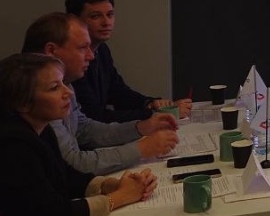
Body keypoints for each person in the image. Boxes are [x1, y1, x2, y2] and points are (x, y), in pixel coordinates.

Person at [0, 53, 158, 216]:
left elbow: (65, 176)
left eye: (63, 83)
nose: (68, 93)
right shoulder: (10, 145)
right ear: (22, 103)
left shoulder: (42, 129)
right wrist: (121, 197)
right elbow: (50, 211)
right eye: (54, 88)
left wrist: (110, 185)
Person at [22, 12, 180, 175]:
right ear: (51, 51)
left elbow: (84, 129)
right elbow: (73, 164)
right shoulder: (37, 95)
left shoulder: (65, 82)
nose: (91, 56)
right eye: (82, 48)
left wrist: (141, 127)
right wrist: (141, 148)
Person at [65, 0, 192, 122]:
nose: (106, 22)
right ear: (74, 20)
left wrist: (150, 103)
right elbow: (94, 115)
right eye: (95, 16)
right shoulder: (70, 59)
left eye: (110, 15)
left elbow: (118, 92)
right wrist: (155, 114)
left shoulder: (102, 49)